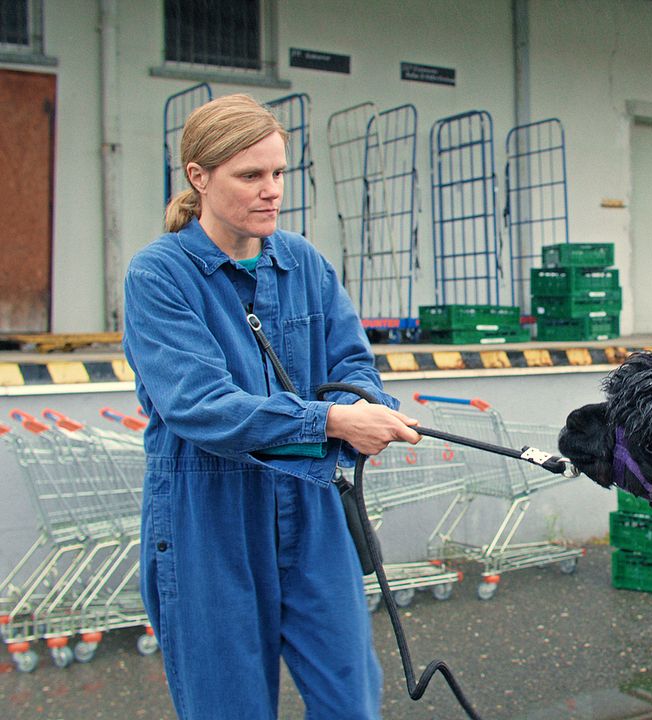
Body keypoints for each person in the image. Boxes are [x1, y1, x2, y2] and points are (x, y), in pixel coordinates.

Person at [123, 93, 421, 719]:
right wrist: (335, 421)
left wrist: (372, 408)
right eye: (250, 176)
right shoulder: (158, 277)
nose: (271, 191)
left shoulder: (304, 263)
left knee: (352, 703)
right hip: (210, 519)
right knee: (227, 707)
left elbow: (351, 363)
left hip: (311, 510)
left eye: (279, 173)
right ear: (199, 177)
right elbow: (201, 406)